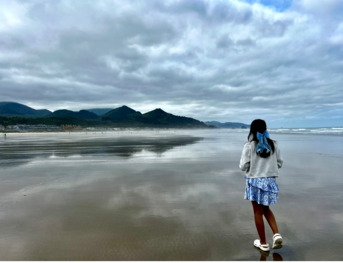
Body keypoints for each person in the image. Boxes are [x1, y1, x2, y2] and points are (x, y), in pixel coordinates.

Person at [239, 119, 284, 252]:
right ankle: (276, 234)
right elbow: (280, 163)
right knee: (266, 209)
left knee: (257, 212)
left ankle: (263, 243)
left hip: (255, 181)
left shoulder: (249, 146)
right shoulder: (274, 145)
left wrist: (253, 167)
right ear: (265, 128)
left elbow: (243, 166)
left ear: (252, 130)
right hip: (270, 181)